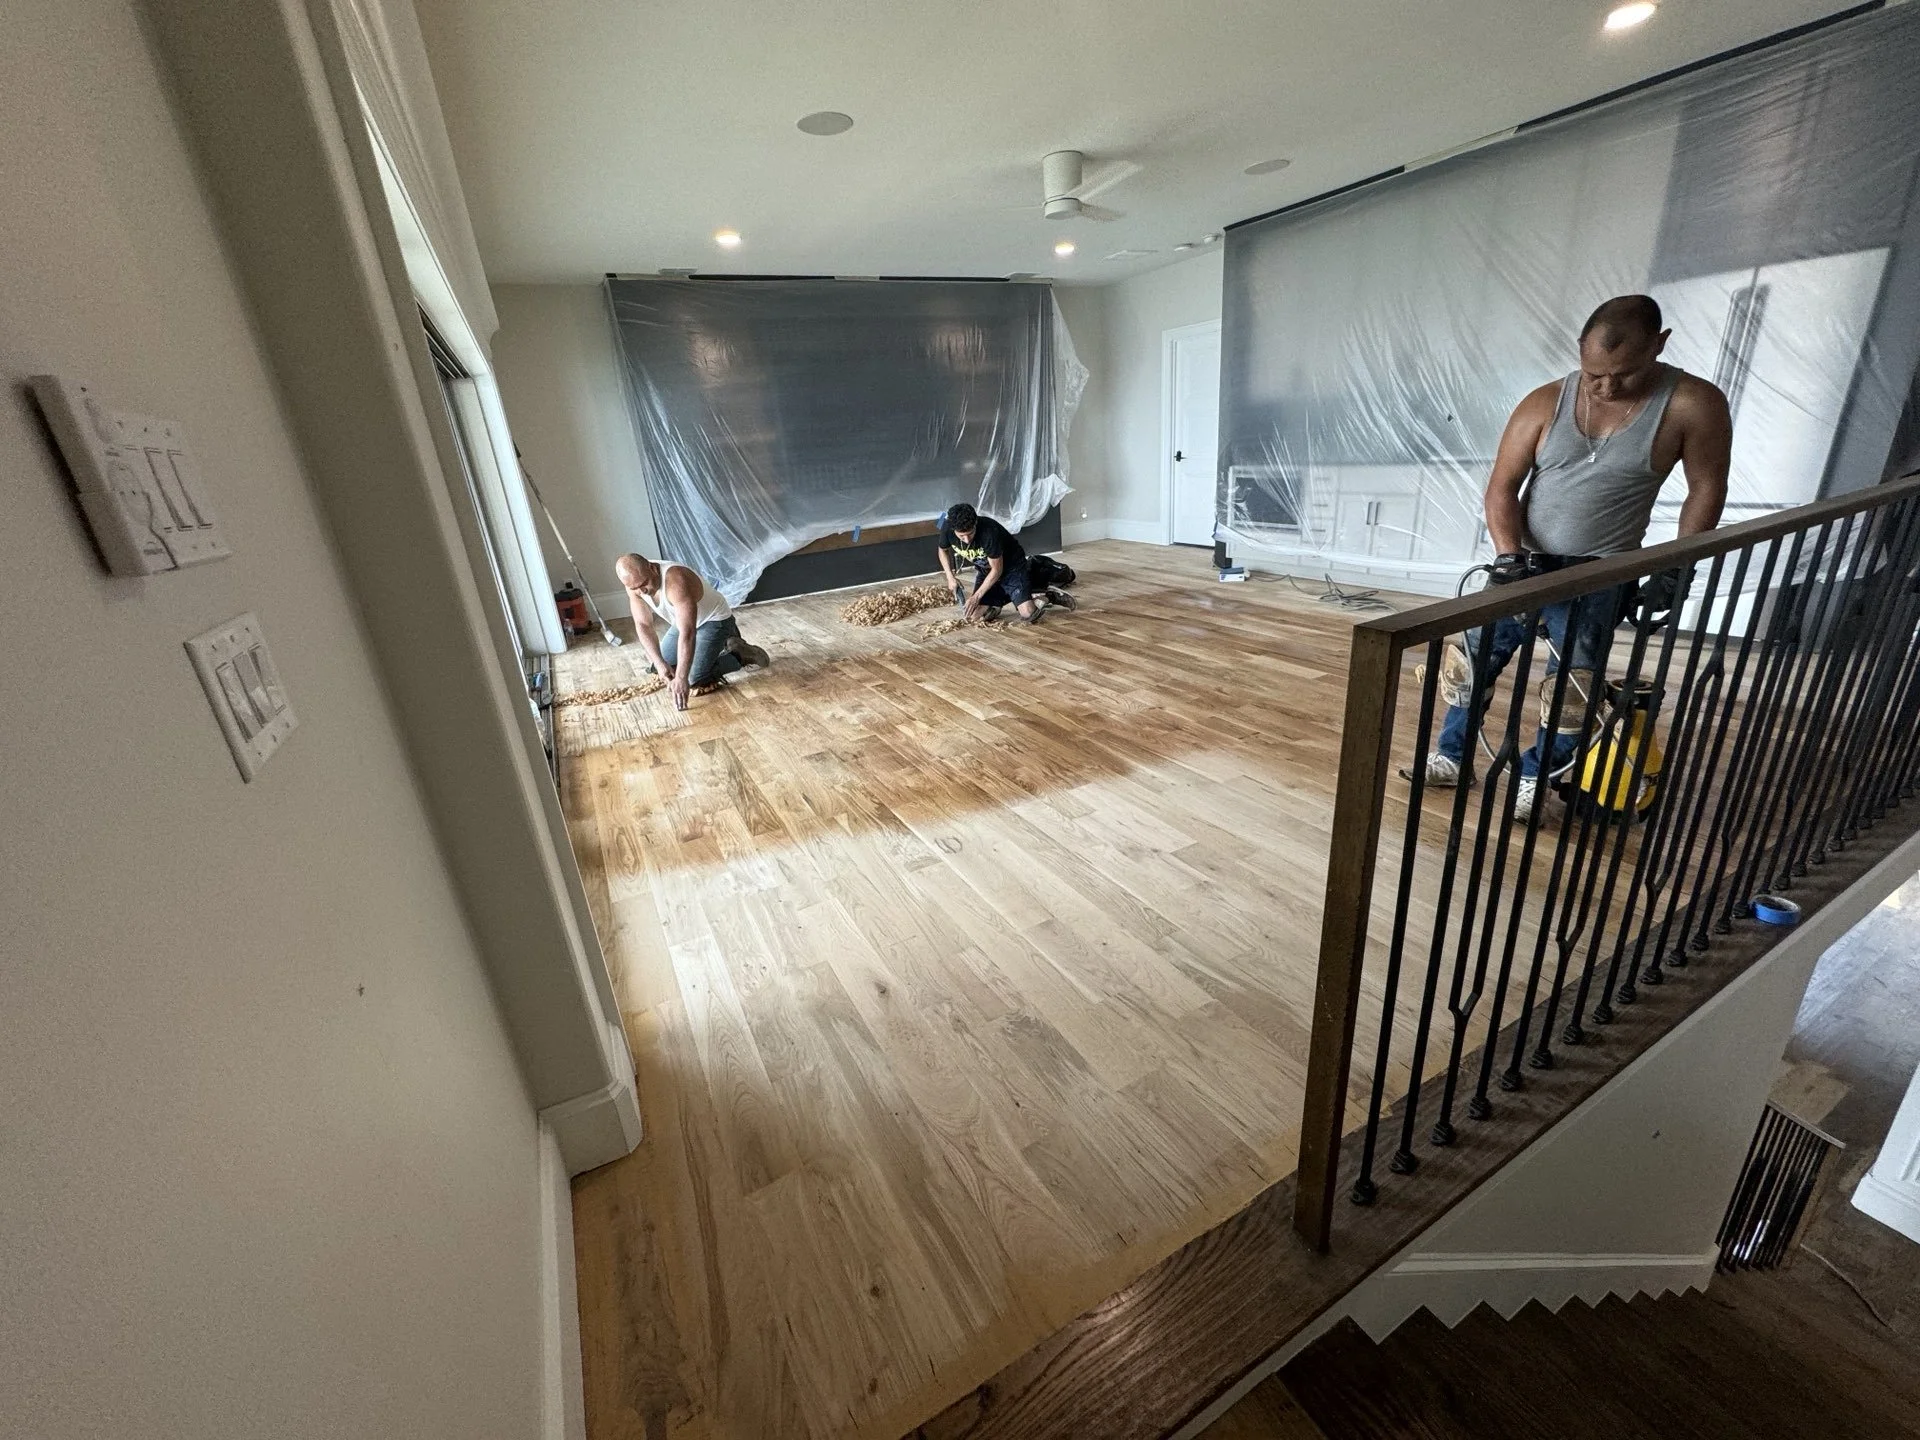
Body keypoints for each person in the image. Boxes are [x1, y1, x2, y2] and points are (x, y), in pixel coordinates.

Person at [1417, 295, 1732, 821]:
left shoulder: (1691, 404)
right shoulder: (1544, 403)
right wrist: (1508, 556)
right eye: (1593, 374)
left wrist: (1679, 563)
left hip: (1602, 570)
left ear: (1660, 344)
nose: (1606, 387)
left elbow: (1706, 486)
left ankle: (1537, 776)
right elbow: (1502, 487)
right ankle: (1453, 755)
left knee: (1572, 690)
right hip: (1525, 563)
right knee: (1469, 665)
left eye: (1623, 375)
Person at [614, 551, 769, 711]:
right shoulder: (634, 584)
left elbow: (688, 634)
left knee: (693, 679)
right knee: (660, 666)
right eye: (635, 588)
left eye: (644, 584)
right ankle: (706, 655)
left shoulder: (676, 581)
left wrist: (681, 678)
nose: (642, 591)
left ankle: (741, 654)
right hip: (682, 622)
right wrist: (659, 663)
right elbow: (643, 624)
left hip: (714, 620)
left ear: (652, 568)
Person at [936, 503, 1077, 624]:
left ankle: (1048, 593)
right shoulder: (946, 527)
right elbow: (942, 550)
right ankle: (1005, 599)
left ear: (976, 523)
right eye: (962, 536)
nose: (966, 540)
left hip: (1012, 567)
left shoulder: (989, 532)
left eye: (970, 534)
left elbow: (997, 570)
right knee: (975, 616)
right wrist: (950, 577)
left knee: (1028, 614)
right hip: (986, 572)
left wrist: (976, 597)